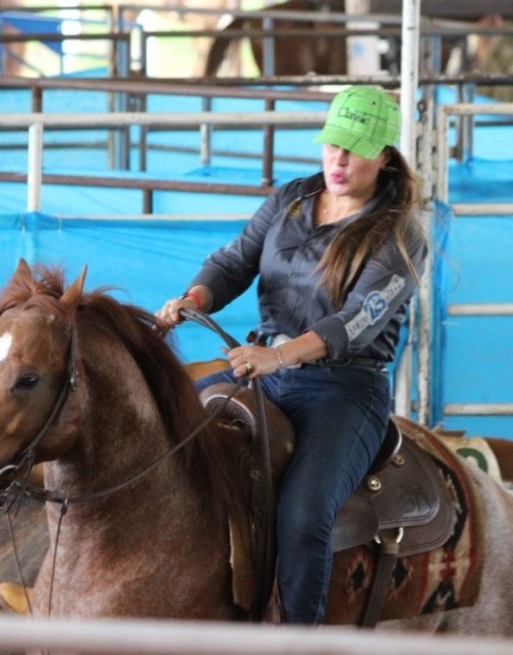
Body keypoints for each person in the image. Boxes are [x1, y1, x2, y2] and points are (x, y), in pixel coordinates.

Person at [155, 85, 428, 625]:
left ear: (385, 156)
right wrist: (192, 299)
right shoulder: (291, 199)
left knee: (304, 514)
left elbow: (353, 322)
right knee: (167, 432)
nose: (339, 160)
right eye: (332, 145)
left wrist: (275, 359)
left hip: (342, 390)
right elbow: (234, 262)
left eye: (354, 149)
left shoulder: (399, 236)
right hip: (263, 372)